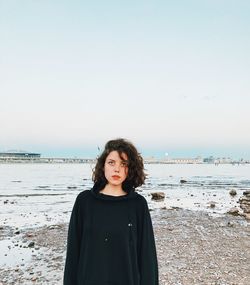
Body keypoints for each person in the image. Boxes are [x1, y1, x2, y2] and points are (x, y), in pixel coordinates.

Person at [63, 138, 159, 285]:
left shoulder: (138, 204)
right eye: (111, 162)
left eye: (123, 164)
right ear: (103, 166)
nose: (117, 169)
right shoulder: (85, 201)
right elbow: (73, 255)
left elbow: (147, 258)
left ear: (130, 168)